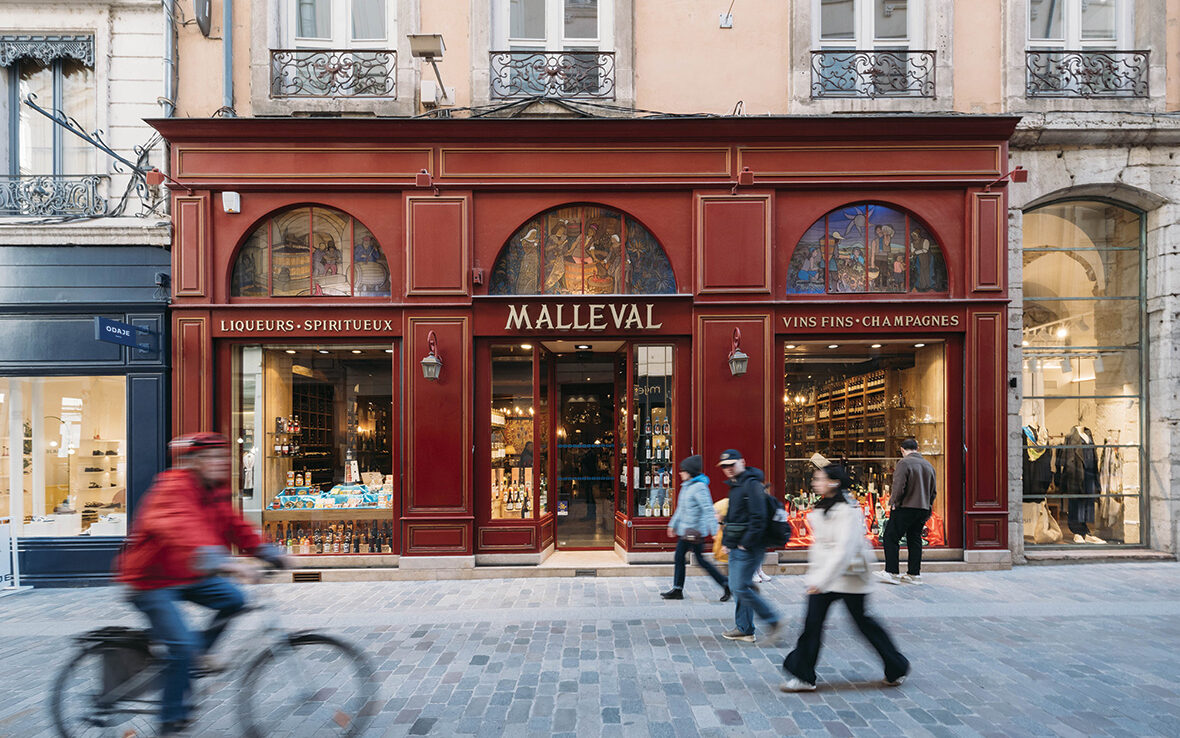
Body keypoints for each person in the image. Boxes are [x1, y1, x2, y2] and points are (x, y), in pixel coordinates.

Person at [116, 432, 288, 735]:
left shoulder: (214, 490)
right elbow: (183, 530)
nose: (221, 462)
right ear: (195, 462)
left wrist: (267, 551)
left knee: (235, 599)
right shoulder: (173, 487)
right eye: (212, 457)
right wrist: (226, 563)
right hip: (150, 580)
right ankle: (171, 718)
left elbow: (235, 526)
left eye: (223, 457)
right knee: (182, 647)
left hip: (187, 574)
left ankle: (195, 657)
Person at [781, 464, 910, 692]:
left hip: (849, 576)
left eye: (819, 479)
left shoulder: (848, 511)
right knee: (813, 624)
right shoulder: (823, 506)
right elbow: (822, 547)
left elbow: (843, 550)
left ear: (834, 482)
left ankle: (896, 666)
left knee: (863, 623)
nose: (815, 482)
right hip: (827, 575)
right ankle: (803, 675)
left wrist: (820, 580)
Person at [717, 449, 782, 644]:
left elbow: (758, 517)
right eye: (724, 466)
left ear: (743, 462)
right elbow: (735, 517)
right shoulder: (736, 485)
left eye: (732, 464)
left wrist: (745, 543)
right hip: (737, 545)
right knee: (738, 587)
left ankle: (773, 620)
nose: (728, 468)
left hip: (749, 546)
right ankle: (744, 629)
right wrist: (727, 542)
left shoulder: (751, 484)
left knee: (739, 587)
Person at [661, 455, 729, 601]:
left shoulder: (699, 488)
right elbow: (680, 509)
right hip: (685, 531)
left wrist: (715, 530)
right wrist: (672, 525)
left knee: (699, 560)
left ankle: (725, 583)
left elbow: (708, 509)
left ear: (689, 472)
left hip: (695, 532)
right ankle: (677, 589)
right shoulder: (686, 486)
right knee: (681, 557)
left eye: (683, 470)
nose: (680, 473)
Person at [875, 438, 936, 585]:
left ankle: (892, 572)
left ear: (902, 450)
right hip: (923, 508)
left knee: (890, 537)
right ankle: (914, 574)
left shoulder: (904, 463)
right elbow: (933, 491)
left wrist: (893, 503)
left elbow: (899, 487)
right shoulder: (928, 465)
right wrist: (928, 506)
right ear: (917, 448)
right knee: (914, 539)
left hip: (906, 507)